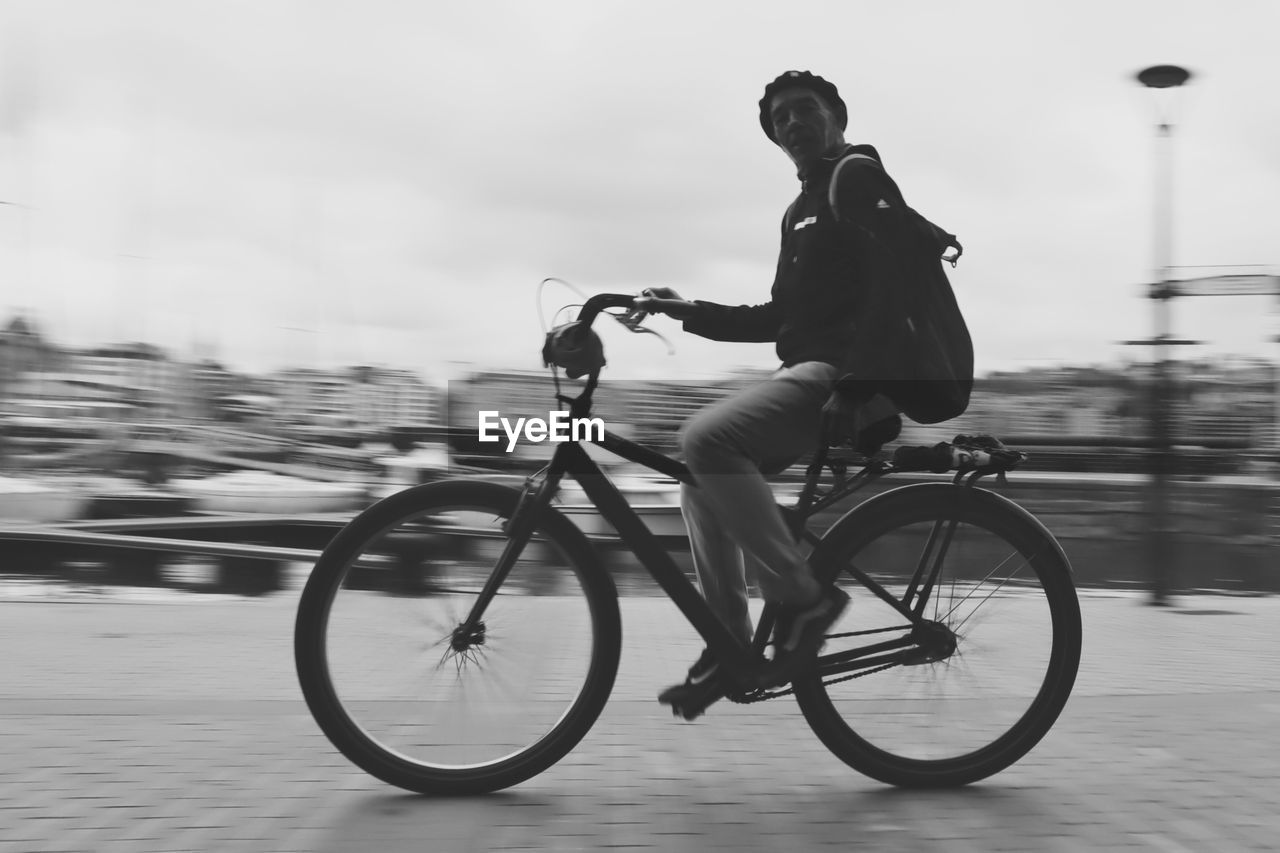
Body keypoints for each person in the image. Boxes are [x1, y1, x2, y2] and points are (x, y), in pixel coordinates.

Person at [636, 70, 919, 718]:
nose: (791, 123)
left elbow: (896, 282)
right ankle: (731, 642)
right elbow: (777, 319)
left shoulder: (856, 176)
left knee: (707, 437)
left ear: (836, 115)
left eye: (804, 110)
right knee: (697, 474)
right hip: (811, 374)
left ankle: (803, 598)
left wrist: (858, 383)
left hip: (845, 381)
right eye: (779, 118)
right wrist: (685, 308)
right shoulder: (800, 211)